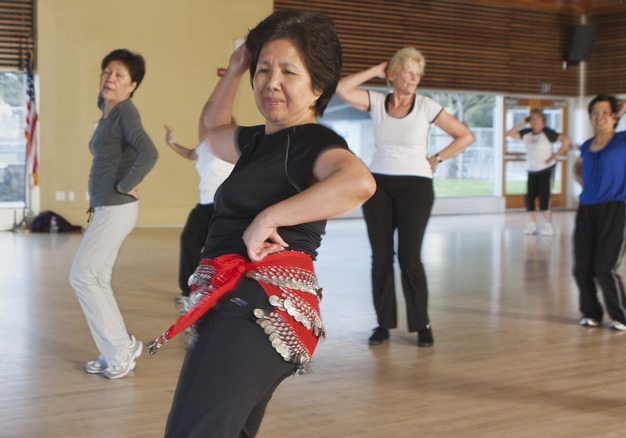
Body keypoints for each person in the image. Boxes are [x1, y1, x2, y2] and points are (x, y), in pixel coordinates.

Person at [161, 10, 375, 437]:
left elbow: (359, 182)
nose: (271, 82)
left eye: (288, 72)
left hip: (259, 306)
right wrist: (238, 67)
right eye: (264, 69)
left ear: (317, 88)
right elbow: (212, 130)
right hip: (231, 301)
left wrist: (270, 217)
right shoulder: (260, 140)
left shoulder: (315, 142)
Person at [336, 47, 474, 347]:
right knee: (381, 259)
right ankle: (383, 324)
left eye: (418, 73)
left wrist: (437, 158)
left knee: (410, 258)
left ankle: (421, 324)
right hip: (379, 186)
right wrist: (376, 70)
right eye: (409, 72)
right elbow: (342, 89)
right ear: (394, 74)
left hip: (416, 185)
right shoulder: (375, 101)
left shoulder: (425, 106)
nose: (415, 78)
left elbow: (465, 135)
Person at [70, 48, 158, 379]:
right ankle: (119, 348)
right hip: (107, 208)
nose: (110, 78)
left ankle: (120, 353)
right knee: (98, 279)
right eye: (107, 71)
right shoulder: (108, 109)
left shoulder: (125, 112)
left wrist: (126, 184)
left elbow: (149, 152)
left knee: (81, 276)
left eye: (120, 75)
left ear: (133, 85)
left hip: (116, 208)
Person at [572, 94, 626, 331]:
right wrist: (587, 185)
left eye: (605, 112)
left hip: (616, 208)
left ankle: (624, 316)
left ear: (614, 116)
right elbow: (577, 168)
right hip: (587, 209)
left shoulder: (625, 140)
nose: (599, 117)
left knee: (605, 268)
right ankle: (591, 313)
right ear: (590, 117)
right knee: (582, 268)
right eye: (595, 112)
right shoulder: (588, 145)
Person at [163, 125, 234, 303]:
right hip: (204, 204)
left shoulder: (230, 144)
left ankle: (222, 290)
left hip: (223, 204)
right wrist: (172, 144)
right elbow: (191, 154)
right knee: (189, 240)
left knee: (217, 248)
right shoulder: (204, 145)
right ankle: (189, 291)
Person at [505, 108, 571, 236]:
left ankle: (548, 225)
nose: (535, 121)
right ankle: (532, 224)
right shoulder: (527, 133)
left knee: (544, 196)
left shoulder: (548, 133)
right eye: (533, 119)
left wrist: (554, 156)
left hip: (545, 169)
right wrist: (523, 122)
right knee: (530, 197)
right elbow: (509, 134)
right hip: (532, 169)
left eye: (537, 118)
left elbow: (566, 140)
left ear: (542, 120)